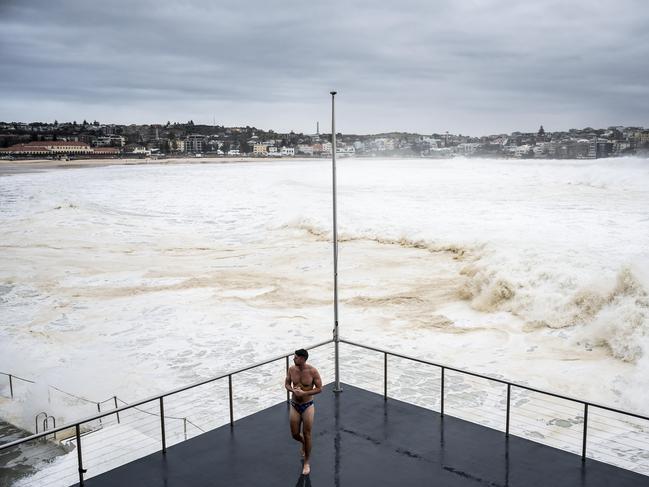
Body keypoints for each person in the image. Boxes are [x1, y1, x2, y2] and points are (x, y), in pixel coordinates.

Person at [285, 348, 322, 475]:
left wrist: (304, 392)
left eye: (295, 357)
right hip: (295, 405)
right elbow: (287, 384)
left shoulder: (312, 371)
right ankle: (304, 443)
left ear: (302, 359)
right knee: (295, 434)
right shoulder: (291, 369)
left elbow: (319, 389)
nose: (293, 359)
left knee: (307, 434)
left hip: (307, 405)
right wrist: (292, 390)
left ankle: (306, 463)